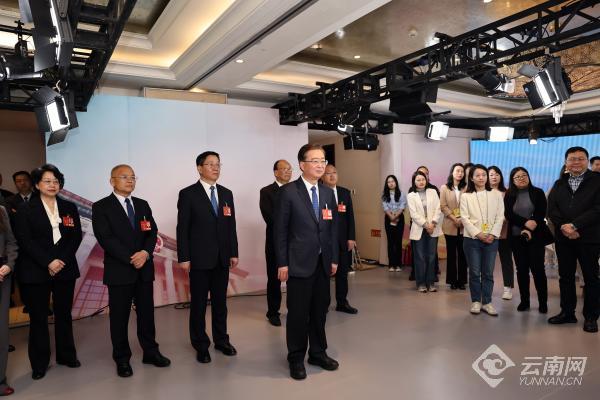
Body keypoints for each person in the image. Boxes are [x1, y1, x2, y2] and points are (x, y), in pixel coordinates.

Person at [92, 164, 171, 378]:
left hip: (143, 268)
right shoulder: (101, 207)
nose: (130, 180)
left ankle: (151, 352)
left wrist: (144, 253)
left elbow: (152, 232)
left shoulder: (142, 204)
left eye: (133, 177)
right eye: (124, 177)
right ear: (112, 181)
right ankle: (122, 358)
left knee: (147, 314)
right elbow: (105, 238)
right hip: (120, 270)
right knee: (119, 317)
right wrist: (131, 258)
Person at [275, 144, 339, 380]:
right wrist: (282, 263)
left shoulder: (327, 193)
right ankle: (295, 358)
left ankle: (318, 353)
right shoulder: (288, 192)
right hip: (298, 263)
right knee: (298, 314)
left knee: (320, 311)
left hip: (323, 263)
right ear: (302, 165)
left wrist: (334, 258)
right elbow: (280, 231)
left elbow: (332, 229)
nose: (321, 165)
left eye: (323, 160)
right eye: (315, 161)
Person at [14, 164, 82, 380]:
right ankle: (39, 363)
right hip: (36, 270)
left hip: (65, 268)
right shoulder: (25, 209)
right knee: (38, 318)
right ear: (37, 185)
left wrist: (61, 260)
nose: (52, 185)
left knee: (64, 314)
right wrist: (48, 262)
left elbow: (75, 236)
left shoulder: (69, 207)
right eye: (47, 181)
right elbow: (25, 240)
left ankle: (66, 355)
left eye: (56, 181)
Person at [177, 151, 239, 363]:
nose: (215, 168)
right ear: (199, 168)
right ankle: (201, 344)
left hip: (222, 259)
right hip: (199, 259)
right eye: (210, 164)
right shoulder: (188, 194)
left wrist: (234, 252)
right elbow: (182, 228)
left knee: (221, 303)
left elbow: (231, 226)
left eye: (218, 164)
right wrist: (184, 257)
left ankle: (222, 340)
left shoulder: (227, 193)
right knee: (199, 305)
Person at [547, 146, 600, 333]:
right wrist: (565, 227)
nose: (576, 162)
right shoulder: (559, 183)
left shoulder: (597, 180)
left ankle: (591, 317)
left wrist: (575, 226)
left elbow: (597, 209)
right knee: (566, 277)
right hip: (564, 239)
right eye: (572, 159)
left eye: (580, 158)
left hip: (589, 238)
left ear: (587, 161)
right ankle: (567, 313)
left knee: (591, 278)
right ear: (565, 162)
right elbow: (552, 209)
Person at [460, 164, 504, 316]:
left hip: (492, 239)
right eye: (477, 175)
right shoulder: (466, 196)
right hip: (472, 239)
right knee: (474, 272)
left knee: (488, 272)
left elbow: (500, 216)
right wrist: (478, 233)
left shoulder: (496, 194)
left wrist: (493, 234)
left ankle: (487, 302)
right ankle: (476, 301)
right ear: (471, 178)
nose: (481, 178)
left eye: (484, 175)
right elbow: (464, 218)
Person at [504, 167, 549, 313]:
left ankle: (543, 302)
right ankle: (525, 301)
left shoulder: (538, 192)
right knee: (521, 270)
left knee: (538, 269)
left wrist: (530, 226)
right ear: (512, 180)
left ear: (528, 177)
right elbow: (509, 215)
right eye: (517, 177)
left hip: (536, 237)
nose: (521, 178)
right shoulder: (509, 195)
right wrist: (525, 224)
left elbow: (541, 212)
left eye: (524, 175)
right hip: (516, 238)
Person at [259, 160, 292, 326]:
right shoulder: (266, 191)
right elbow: (270, 218)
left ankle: (294, 310)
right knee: (274, 279)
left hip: (295, 243)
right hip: (275, 243)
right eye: (284, 169)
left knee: (295, 279)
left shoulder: (296, 190)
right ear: (276, 172)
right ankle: (273, 312)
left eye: (289, 169)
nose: (288, 171)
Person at [322, 164, 357, 314]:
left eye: (334, 173)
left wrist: (351, 237)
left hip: (342, 240)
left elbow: (350, 217)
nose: (332, 176)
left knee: (342, 274)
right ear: (322, 176)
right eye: (328, 173)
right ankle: (323, 305)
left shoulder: (344, 193)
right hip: (325, 241)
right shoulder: (319, 192)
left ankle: (342, 303)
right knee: (324, 275)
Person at [407, 171, 442, 292]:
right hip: (419, 228)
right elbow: (413, 214)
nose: (421, 182)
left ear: (426, 180)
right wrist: (426, 225)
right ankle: (421, 283)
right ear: (414, 181)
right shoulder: (411, 195)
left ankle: (430, 282)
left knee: (431, 256)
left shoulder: (433, 191)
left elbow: (438, 208)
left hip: (433, 227)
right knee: (420, 257)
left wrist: (433, 223)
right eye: (418, 180)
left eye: (423, 179)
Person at [488, 166, 514, 301]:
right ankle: (486, 288)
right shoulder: (483, 192)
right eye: (491, 174)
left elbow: (511, 211)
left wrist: (502, 219)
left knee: (506, 260)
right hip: (487, 232)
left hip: (504, 231)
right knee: (487, 262)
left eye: (497, 174)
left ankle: (508, 288)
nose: (494, 177)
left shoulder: (507, 192)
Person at [440, 163, 467, 290]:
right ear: (452, 172)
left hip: (464, 226)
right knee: (451, 255)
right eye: (457, 171)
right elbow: (443, 206)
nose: (460, 173)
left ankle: (462, 281)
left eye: (462, 171)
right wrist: (454, 218)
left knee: (462, 254)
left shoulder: (466, 187)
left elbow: (469, 205)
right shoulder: (444, 188)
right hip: (449, 224)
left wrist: (461, 219)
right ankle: (452, 281)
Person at [0, 205, 17, 396]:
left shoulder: (1, 211)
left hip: (2, 275)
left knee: (1, 332)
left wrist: (9, 264)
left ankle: (0, 380)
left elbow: (12, 243)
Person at [381, 175, 406, 272]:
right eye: (389, 182)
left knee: (398, 242)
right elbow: (385, 207)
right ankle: (391, 264)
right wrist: (391, 216)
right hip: (388, 219)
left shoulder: (401, 193)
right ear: (386, 184)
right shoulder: (384, 195)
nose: (391, 183)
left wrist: (396, 216)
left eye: (392, 181)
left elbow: (402, 206)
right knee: (390, 242)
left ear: (396, 182)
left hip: (399, 219)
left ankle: (398, 264)